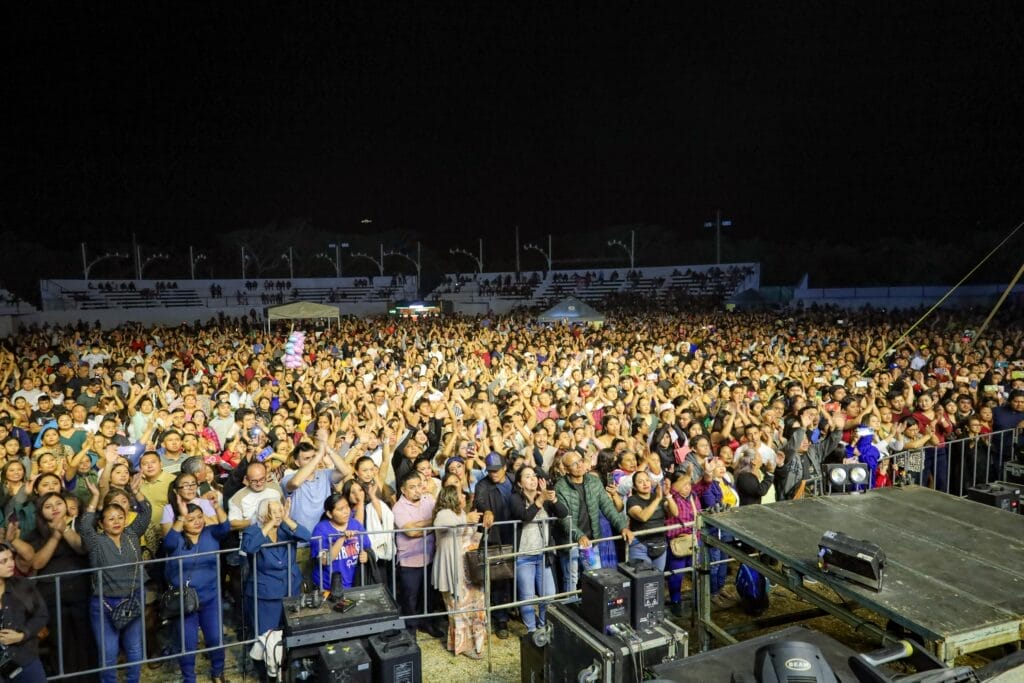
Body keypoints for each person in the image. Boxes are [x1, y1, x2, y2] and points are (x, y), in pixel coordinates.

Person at [79, 476, 152, 683]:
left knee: (135, 647)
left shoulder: (131, 534)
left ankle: (133, 680)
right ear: (101, 524)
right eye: (110, 518)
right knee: (108, 653)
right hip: (104, 603)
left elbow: (146, 512)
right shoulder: (96, 541)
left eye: (120, 517)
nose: (117, 522)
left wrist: (136, 491)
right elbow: (85, 525)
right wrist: (95, 497)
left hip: (132, 599)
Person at [162, 494, 230, 683]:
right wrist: (181, 517)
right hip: (184, 601)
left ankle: (218, 673)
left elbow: (225, 527)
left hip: (210, 597)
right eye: (191, 519)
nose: (197, 522)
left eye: (200, 517)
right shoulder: (176, 539)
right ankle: (189, 678)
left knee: (216, 638)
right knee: (188, 643)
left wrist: (216, 507)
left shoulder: (211, 533)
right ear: (183, 522)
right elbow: (167, 544)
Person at [27, 491, 95, 681]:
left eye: (59, 503)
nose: (55, 508)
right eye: (48, 506)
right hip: (51, 595)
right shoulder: (35, 534)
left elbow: (82, 548)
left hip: (80, 591)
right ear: (41, 512)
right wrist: (55, 537)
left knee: (85, 637)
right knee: (61, 640)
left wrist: (64, 530)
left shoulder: (78, 526)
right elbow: (37, 563)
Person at [554, 451, 634, 592]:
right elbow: (564, 519)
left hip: (591, 541)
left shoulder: (594, 481)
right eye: (573, 464)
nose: (579, 465)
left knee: (596, 576)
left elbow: (608, 507)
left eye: (580, 461)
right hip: (570, 543)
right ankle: (570, 607)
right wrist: (579, 535)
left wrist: (622, 526)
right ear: (566, 469)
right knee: (571, 579)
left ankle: (594, 609)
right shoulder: (560, 487)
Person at [240, 498, 309, 638]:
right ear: (263, 514)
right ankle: (266, 660)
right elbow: (249, 547)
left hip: (291, 588)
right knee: (267, 636)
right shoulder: (253, 531)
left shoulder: (286, 527)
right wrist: (270, 523)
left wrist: (286, 519)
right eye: (273, 512)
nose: (278, 514)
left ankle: (289, 660)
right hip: (266, 593)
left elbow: (307, 536)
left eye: (280, 510)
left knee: (291, 632)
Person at [431, 485, 486, 659]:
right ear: (451, 497)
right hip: (451, 567)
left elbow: (470, 537)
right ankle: (463, 646)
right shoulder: (443, 514)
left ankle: (476, 642)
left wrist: (481, 526)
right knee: (458, 609)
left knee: (473, 606)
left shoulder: (463, 513)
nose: (463, 495)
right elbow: (439, 525)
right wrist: (467, 520)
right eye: (460, 493)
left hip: (468, 568)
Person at [510, 466, 566, 634]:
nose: (533, 479)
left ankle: (543, 626)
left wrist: (553, 499)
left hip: (543, 554)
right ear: (520, 483)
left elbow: (563, 513)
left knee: (548, 594)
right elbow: (524, 516)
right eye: (527, 477)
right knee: (527, 597)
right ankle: (532, 632)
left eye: (534, 476)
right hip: (523, 555)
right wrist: (540, 499)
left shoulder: (544, 497)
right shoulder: (515, 499)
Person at [392, 472, 441, 636]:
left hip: (430, 556)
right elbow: (411, 532)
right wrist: (432, 521)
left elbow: (438, 517)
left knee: (428, 595)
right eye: (411, 487)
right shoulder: (399, 507)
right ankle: (410, 630)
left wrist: (422, 525)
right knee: (410, 598)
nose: (416, 490)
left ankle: (427, 624)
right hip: (409, 561)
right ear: (403, 490)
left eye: (419, 486)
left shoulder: (429, 499)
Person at [0, 542, 48, 683]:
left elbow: (42, 615)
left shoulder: (23, 585)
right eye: (4, 561)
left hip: (25, 657)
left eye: (11, 558)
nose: (11, 564)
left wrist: (22, 635)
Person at [310, 492, 369, 591]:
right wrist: (342, 539)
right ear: (329, 513)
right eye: (340, 509)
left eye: (347, 507)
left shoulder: (355, 524)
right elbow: (324, 560)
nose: (346, 511)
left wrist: (366, 556)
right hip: (328, 587)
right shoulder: (321, 529)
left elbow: (367, 547)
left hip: (354, 584)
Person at [664, 472, 701, 617]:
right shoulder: (670, 499)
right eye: (683, 484)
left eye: (688, 483)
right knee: (676, 575)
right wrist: (688, 474)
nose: (686, 487)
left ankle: (699, 601)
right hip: (677, 542)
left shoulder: (693, 496)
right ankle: (675, 602)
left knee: (698, 572)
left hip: (694, 539)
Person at [626, 470, 669, 572]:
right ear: (635, 487)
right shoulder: (632, 500)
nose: (645, 484)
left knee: (657, 579)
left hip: (659, 543)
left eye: (647, 480)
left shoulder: (657, 497)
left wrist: (668, 496)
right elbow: (643, 517)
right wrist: (658, 499)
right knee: (642, 580)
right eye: (640, 482)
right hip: (640, 544)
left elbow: (675, 513)